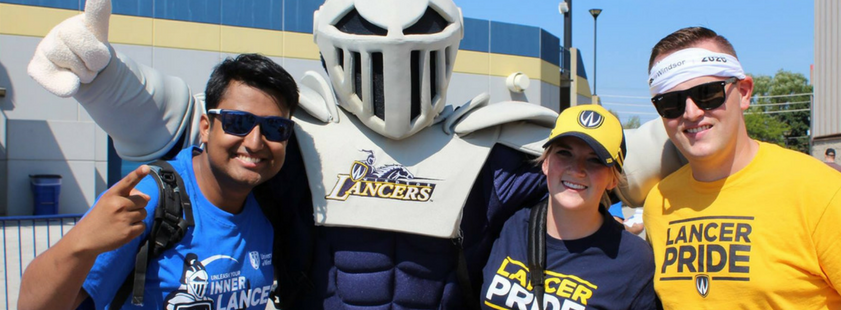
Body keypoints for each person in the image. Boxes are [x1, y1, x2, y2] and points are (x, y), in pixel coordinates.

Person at [26, 0, 682, 307]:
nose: (394, 40)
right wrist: (105, 78)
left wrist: (683, 132)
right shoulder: (296, 136)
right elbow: (188, 133)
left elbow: (591, 171)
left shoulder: (491, 150)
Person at [641, 27, 841, 309]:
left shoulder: (819, 190)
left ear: (744, 93)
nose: (691, 112)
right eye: (670, 103)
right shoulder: (659, 203)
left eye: (707, 94)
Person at [18, 53, 299, 310]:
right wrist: (79, 243)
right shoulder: (151, 197)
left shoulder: (271, 205)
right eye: (238, 122)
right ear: (205, 127)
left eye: (276, 128)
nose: (254, 142)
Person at [481, 104, 655, 309]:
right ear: (546, 163)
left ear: (613, 180)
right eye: (565, 153)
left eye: (595, 160)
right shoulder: (513, 226)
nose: (577, 169)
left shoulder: (633, 261)